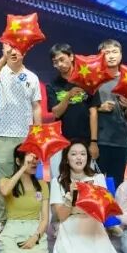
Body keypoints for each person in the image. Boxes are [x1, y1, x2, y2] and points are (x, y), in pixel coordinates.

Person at [0, 41, 42, 237]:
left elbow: (36, 107)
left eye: (18, 48)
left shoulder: (32, 77)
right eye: (10, 48)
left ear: (25, 51)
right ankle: (2, 221)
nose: (14, 52)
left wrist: (37, 135)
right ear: (4, 50)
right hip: (2, 136)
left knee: (26, 179)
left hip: (25, 136)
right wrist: (4, 58)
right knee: (2, 181)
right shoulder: (0, 73)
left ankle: (27, 218)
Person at [46, 44, 99, 180]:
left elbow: (93, 112)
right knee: (61, 179)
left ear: (71, 57)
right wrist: (68, 96)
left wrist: (93, 142)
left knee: (87, 180)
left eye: (62, 59)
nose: (59, 64)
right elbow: (56, 113)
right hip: (61, 141)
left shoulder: (87, 81)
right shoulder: (53, 85)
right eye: (55, 62)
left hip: (85, 140)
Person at [95, 39, 127, 184]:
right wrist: (99, 108)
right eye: (107, 53)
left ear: (121, 55)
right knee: (96, 183)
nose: (111, 56)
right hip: (99, 140)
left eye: (115, 52)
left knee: (116, 183)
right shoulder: (94, 79)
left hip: (120, 141)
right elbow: (82, 108)